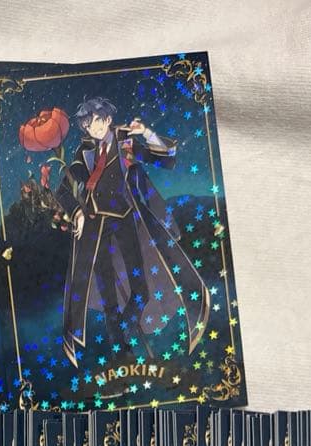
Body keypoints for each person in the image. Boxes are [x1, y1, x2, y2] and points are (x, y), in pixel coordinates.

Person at [53, 97, 211, 368]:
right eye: (88, 125)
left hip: (126, 222)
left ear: (108, 119)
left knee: (140, 292)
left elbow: (165, 158)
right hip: (95, 231)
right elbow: (63, 190)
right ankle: (120, 356)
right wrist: (77, 213)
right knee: (109, 301)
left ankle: (124, 335)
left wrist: (146, 132)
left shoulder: (125, 145)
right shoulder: (85, 152)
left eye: (97, 121)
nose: (94, 129)